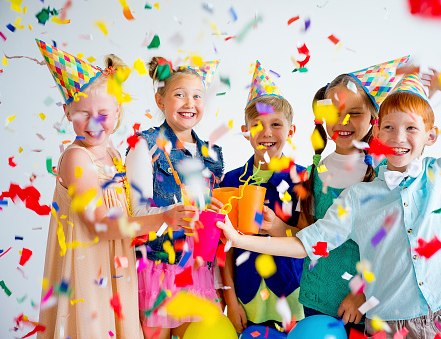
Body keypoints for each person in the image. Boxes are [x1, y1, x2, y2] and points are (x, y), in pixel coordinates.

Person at [217, 70, 441, 338]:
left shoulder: (435, 175)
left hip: (417, 313)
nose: (398, 137)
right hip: (346, 306)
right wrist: (244, 237)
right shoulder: (342, 188)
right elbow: (308, 240)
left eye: (410, 127)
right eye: (390, 127)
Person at [36, 40, 167, 338]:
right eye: (83, 113)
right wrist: (164, 219)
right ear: (68, 112)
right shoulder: (76, 158)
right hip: (87, 275)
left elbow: (124, 214)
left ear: (118, 112)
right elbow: (100, 225)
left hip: (116, 271)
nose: (94, 122)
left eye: (104, 114)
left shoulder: (115, 156)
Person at [295, 56, 409, 335]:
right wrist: (275, 228)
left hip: (368, 301)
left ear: (374, 118)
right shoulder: (313, 172)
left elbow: (398, 243)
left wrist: (362, 291)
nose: (343, 121)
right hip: (317, 298)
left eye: (355, 112)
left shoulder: (387, 172)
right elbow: (307, 234)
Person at [125, 57, 224, 339]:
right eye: (179, 95)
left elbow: (210, 221)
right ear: (160, 100)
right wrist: (172, 212)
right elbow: (136, 215)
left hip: (198, 270)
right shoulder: (145, 146)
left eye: (197, 96)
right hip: (157, 269)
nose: (189, 103)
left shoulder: (212, 155)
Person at [220, 60, 305, 333]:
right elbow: (224, 251)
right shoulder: (230, 181)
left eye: (276, 124)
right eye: (257, 125)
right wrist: (230, 301)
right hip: (247, 299)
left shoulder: (304, 179)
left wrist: (281, 229)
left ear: (291, 131)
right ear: (246, 132)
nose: (266, 133)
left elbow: (313, 240)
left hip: (293, 298)